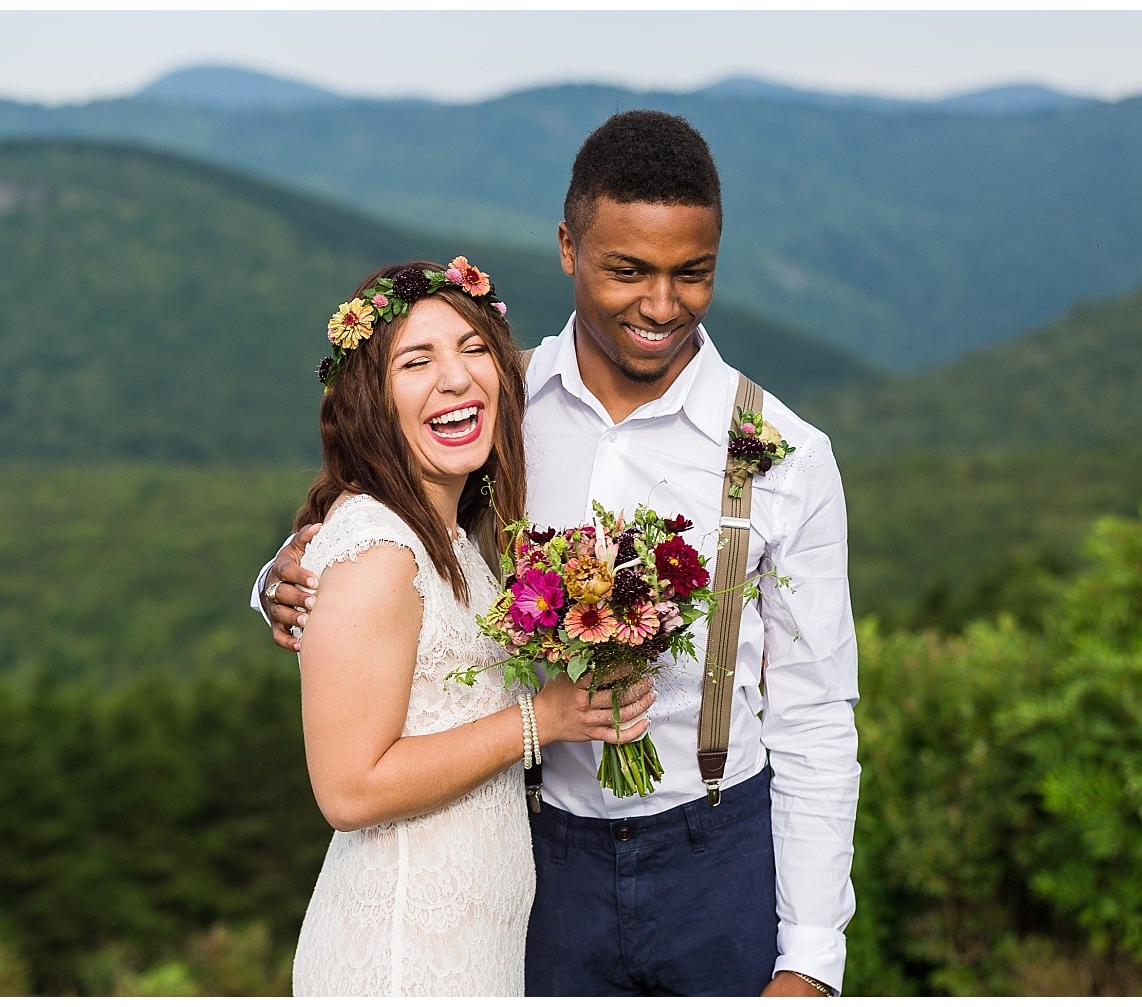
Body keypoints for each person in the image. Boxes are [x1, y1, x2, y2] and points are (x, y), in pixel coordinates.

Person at [259, 112, 860, 996]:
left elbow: (815, 716)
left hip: (717, 853)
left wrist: (809, 956)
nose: (662, 305)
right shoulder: (500, 401)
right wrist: (280, 580)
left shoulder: (783, 455)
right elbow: (388, 526)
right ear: (568, 246)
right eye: (629, 270)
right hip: (538, 856)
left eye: (692, 273)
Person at [286, 259, 656, 997]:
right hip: (399, 957)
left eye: (474, 348)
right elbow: (349, 789)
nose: (456, 378)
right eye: (417, 360)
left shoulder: (453, 537)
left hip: (467, 954)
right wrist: (540, 719)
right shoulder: (379, 547)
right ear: (370, 401)